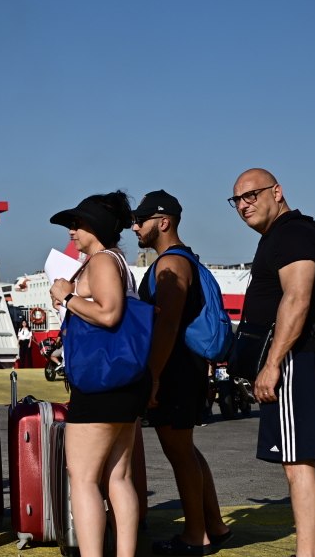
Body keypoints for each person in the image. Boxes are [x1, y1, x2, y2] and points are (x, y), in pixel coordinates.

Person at [231, 169, 315, 557]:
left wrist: (272, 365)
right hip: (296, 357)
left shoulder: (292, 233)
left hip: (293, 358)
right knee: (301, 456)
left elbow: (297, 298)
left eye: (252, 195)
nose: (243, 205)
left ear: (277, 192)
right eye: (237, 200)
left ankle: (307, 553)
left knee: (296, 461)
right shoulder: (281, 235)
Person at [131, 190, 231, 556]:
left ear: (164, 222)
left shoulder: (171, 264)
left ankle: (194, 536)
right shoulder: (186, 259)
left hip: (174, 368)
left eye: (140, 220)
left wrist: (153, 376)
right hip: (186, 366)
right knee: (186, 449)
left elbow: (168, 324)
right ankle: (215, 526)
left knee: (180, 454)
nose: (135, 227)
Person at [48, 191, 146, 557]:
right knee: (119, 477)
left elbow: (109, 314)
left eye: (78, 223)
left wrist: (66, 295)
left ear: (98, 227)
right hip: (125, 381)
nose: (72, 231)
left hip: (101, 384)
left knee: (84, 477)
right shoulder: (118, 261)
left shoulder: (102, 261)